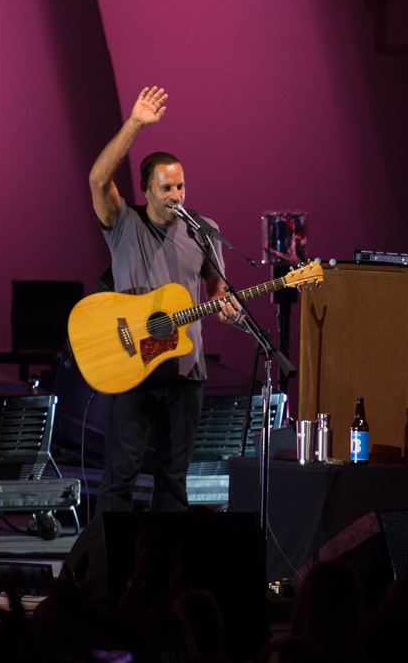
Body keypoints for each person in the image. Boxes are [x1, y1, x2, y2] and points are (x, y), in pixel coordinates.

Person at [88, 86, 239, 511]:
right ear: (146, 190)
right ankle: (109, 554)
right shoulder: (123, 222)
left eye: (181, 186)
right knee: (120, 479)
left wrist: (224, 304)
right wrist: (135, 124)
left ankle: (167, 556)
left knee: (174, 482)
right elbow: (98, 180)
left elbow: (216, 286)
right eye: (167, 187)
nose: (176, 195)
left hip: (186, 372)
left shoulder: (204, 230)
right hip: (133, 367)